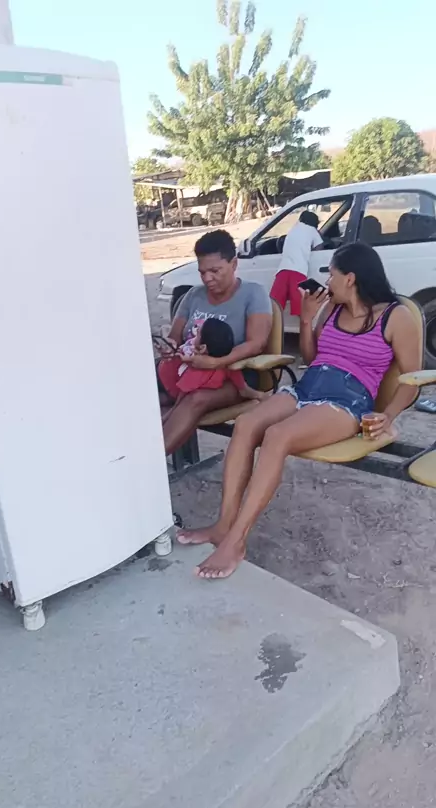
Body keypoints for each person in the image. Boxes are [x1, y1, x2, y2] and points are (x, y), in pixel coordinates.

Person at [178, 242, 421, 579]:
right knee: (246, 423)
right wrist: (307, 320)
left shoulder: (396, 316)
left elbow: (411, 379)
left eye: (332, 274)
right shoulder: (332, 308)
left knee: (277, 436)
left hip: (346, 399)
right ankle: (223, 525)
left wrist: (388, 415)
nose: (327, 281)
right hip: (308, 386)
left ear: (350, 278)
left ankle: (236, 540)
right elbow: (311, 357)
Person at [156, 229, 273, 454]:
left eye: (215, 271)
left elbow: (256, 343)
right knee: (143, 391)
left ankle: (151, 463)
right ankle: (128, 452)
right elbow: (175, 337)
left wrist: (216, 363)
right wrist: (168, 347)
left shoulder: (253, 294)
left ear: (234, 264)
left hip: (236, 374)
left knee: (195, 398)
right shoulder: (193, 296)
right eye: (202, 272)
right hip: (188, 371)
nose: (207, 278)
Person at [160, 317, 268, 424]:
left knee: (174, 397)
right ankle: (251, 392)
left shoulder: (195, 373)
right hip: (216, 377)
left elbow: (182, 394)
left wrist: (171, 412)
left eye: (198, 334)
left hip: (179, 389)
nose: (196, 334)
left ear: (202, 348)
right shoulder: (224, 364)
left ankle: (171, 408)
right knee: (234, 373)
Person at [270, 210, 323, 316]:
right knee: (301, 307)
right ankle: (304, 325)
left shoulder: (293, 229)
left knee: (274, 305)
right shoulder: (312, 231)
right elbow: (319, 247)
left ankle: (273, 325)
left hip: (283, 270)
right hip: (298, 271)